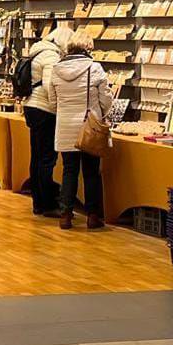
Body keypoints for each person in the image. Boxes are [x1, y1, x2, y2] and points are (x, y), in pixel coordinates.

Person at [51, 28, 113, 229]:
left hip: (65, 127)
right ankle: (93, 216)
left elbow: (53, 101)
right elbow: (106, 98)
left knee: (69, 171)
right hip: (89, 127)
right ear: (88, 47)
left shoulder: (56, 69)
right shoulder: (94, 68)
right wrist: (100, 114)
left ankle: (65, 215)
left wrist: (65, 112)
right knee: (91, 172)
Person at [22, 24, 72, 216]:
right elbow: (49, 85)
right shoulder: (52, 56)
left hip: (32, 106)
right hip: (44, 109)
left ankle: (38, 201)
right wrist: (56, 107)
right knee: (47, 159)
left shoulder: (38, 51)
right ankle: (47, 204)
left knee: (36, 157)